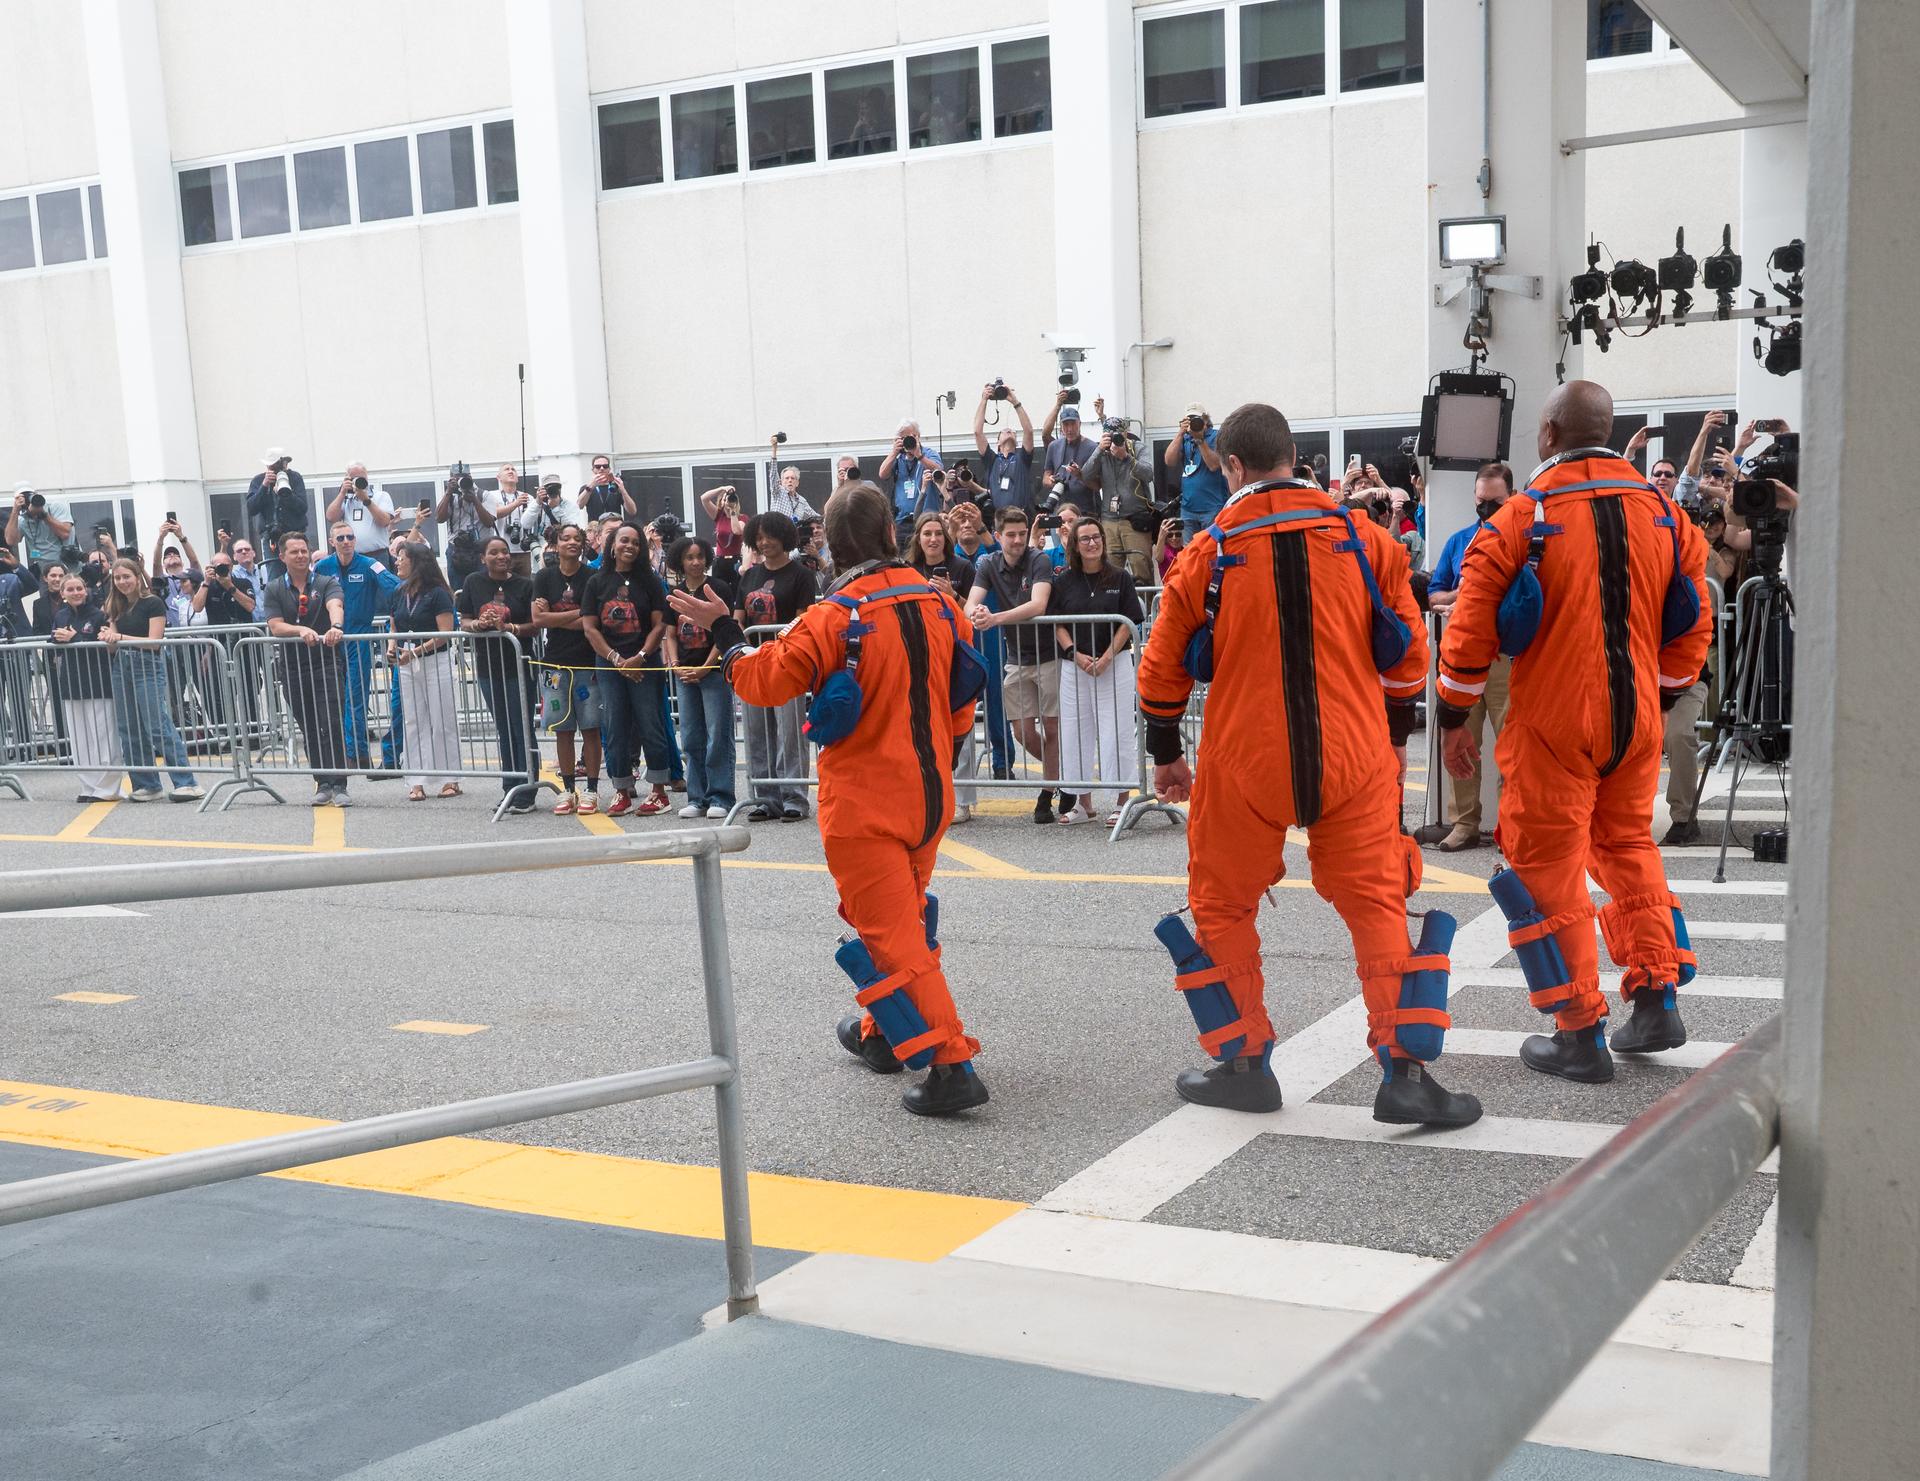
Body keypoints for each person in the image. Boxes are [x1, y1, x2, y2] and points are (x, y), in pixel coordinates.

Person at [1137, 401, 1480, 1128]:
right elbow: (1406, 655)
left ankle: (1245, 1064)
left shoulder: (1207, 550)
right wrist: (1392, 739)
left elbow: (1162, 664)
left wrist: (1166, 753)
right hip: (1352, 753)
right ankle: (1405, 1072)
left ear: (1231, 466)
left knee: (1223, 903)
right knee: (1377, 903)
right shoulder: (1364, 539)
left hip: (1243, 757)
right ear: (1293, 456)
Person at [668, 482, 988, 1117]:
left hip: (866, 805)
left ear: (829, 547)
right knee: (904, 917)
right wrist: (945, 756)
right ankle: (883, 1034)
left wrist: (726, 630)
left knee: (892, 931)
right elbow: (962, 693)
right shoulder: (940, 603)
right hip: (929, 795)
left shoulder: (834, 616)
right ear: (892, 535)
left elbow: (760, 680)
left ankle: (952, 1064)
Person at [1438, 379, 1713, 1083]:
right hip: (1637, 718)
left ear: (1551, 433)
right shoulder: (1665, 514)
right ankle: (1656, 996)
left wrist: (1451, 713)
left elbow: (1468, 629)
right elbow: (1694, 614)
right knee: (1626, 845)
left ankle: (1578, 1029)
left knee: (1547, 865)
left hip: (1554, 721)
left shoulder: (1521, 518)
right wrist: (1665, 689)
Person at [1420, 461, 1515, 853]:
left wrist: (1473, 595)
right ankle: (1464, 822)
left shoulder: (1523, 540)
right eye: (1481, 501)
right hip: (1460, 655)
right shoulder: (1459, 541)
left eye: (1495, 501)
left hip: (1506, 657)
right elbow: (1433, 593)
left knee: (1514, 747)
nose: (1487, 508)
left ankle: (1511, 827)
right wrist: (1465, 596)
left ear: (1510, 498)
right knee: (1460, 741)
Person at [966, 506, 1060, 822]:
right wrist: (977, 615)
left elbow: (1038, 604)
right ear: (997, 536)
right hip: (1017, 658)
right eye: (1011, 535)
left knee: (1051, 728)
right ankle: (1062, 775)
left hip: (1049, 655)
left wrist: (995, 619)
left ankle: (1048, 792)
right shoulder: (988, 563)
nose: (1018, 540)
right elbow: (969, 604)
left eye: (1022, 533)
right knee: (1022, 731)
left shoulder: (1039, 559)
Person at [1050, 518, 1143, 826]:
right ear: (1075, 546)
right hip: (1074, 666)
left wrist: (1105, 657)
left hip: (1113, 664)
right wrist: (1075, 655)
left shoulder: (1120, 577)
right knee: (1076, 730)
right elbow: (1057, 624)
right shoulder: (1063, 580)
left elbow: (1128, 622)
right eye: (1085, 539)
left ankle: (1121, 800)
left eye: (1096, 537)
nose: (1092, 543)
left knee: (1116, 729)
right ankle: (1082, 803)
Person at [582, 523, 674, 817]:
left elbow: (660, 624)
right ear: (612, 545)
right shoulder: (597, 582)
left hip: (645, 664)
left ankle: (659, 792)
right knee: (615, 726)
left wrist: (640, 656)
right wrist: (617, 660)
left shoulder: (650, 581)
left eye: (635, 542)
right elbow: (589, 627)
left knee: (651, 723)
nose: (629, 546)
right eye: (624, 541)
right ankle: (621, 790)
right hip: (610, 665)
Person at [734, 510, 815, 821]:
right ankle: (765, 797)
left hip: (786, 662)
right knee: (757, 732)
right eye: (759, 537)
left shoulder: (801, 574)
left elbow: (801, 618)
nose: (764, 542)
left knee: (790, 731)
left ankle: (794, 796)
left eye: (770, 536)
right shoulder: (749, 576)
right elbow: (739, 617)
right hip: (753, 662)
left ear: (785, 537)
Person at [101, 556, 202, 803]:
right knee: (129, 728)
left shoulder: (153, 603)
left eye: (127, 577)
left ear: (137, 578)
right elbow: (112, 646)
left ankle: (186, 782)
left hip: (146, 665)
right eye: (118, 578)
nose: (122, 582)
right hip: (121, 665)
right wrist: (108, 637)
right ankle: (146, 783)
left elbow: (154, 642)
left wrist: (119, 637)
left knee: (158, 725)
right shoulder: (115, 606)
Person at [262, 530, 351, 807]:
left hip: (326, 662)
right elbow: (275, 625)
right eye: (294, 552)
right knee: (310, 726)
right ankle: (322, 782)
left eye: (304, 550)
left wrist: (335, 627)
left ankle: (340, 783)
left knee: (332, 722)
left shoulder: (326, 581)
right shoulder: (275, 587)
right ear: (282, 556)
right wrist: (301, 630)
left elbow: (335, 604)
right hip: (293, 668)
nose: (300, 555)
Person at [456, 536, 541, 815]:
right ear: (483, 558)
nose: (501, 556)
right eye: (494, 553)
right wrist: (478, 625)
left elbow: (534, 625)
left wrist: (510, 627)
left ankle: (527, 792)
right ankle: (510, 788)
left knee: (522, 728)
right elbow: (464, 619)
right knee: (504, 729)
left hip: (519, 664)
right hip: (488, 667)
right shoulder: (473, 582)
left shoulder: (525, 584)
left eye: (505, 552)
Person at [908, 512, 980, 823]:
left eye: (938, 533)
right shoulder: (906, 570)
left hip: (954, 654)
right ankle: (922, 796)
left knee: (960, 723)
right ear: (918, 539)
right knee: (919, 728)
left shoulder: (962, 567)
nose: (934, 539)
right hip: (917, 655)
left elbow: (973, 611)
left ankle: (962, 799)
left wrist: (953, 595)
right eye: (927, 534)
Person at [315, 521, 401, 772]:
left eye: (350, 537)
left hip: (359, 638)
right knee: (333, 698)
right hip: (330, 639)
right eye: (340, 538)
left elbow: (395, 587)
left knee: (356, 697)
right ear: (332, 542)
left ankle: (357, 753)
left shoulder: (368, 564)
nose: (345, 541)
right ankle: (343, 752)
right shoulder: (322, 566)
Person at [531, 522, 603, 814]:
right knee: (562, 729)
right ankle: (568, 790)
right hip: (555, 664)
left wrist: (555, 615)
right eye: (566, 538)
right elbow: (538, 620)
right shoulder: (544, 577)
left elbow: (592, 621)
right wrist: (580, 613)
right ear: (556, 544)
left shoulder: (593, 577)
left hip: (588, 661)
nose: (572, 543)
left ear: (584, 544)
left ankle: (592, 791)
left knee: (591, 728)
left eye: (577, 538)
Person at [663, 534, 736, 821]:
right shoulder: (676, 592)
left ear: (707, 558)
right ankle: (697, 796)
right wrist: (676, 664)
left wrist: (707, 666)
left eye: (699, 556)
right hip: (685, 674)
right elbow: (669, 633)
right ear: (680, 561)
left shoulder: (717, 588)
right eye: (689, 557)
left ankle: (721, 796)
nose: (695, 562)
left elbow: (725, 630)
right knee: (692, 736)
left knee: (718, 735)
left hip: (714, 672)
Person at [386, 542, 462, 802]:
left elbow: (444, 634)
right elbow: (394, 624)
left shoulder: (438, 593)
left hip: (434, 661)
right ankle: (416, 780)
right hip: (407, 663)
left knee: (441, 721)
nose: (397, 562)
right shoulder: (399, 591)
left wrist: (415, 652)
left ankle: (450, 778)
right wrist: (392, 647)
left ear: (416, 562)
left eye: (401, 558)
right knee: (413, 721)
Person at [47, 571, 121, 801]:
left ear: (86, 590)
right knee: (80, 739)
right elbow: (55, 641)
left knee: (104, 737)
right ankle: (88, 787)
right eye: (70, 589)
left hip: (98, 682)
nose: (76, 593)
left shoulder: (99, 615)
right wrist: (59, 639)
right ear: (63, 593)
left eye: (79, 588)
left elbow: (104, 644)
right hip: (71, 683)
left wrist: (75, 638)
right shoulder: (60, 615)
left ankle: (107, 788)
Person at [1078, 417, 1158, 582]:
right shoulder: (1102, 452)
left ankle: (1147, 605)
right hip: (1109, 520)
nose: (1114, 438)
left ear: (1125, 433)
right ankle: (1114, 606)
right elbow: (1085, 475)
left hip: (1135, 519)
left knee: (1141, 569)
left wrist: (1126, 457)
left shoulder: (1137, 448)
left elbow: (1148, 474)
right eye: (1110, 434)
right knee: (1109, 571)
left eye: (1118, 434)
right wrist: (1099, 449)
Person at [972, 382, 1036, 514]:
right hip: (999, 517)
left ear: (1017, 443)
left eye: (1012, 431)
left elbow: (1028, 431)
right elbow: (978, 432)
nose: (1008, 431)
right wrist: (984, 400)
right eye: (1003, 431)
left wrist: (1015, 402)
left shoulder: (1023, 458)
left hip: (1020, 515)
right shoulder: (992, 460)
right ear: (998, 444)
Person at [1165, 404, 1228, 539]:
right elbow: (1169, 461)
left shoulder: (1217, 436)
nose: (1193, 423)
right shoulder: (1185, 438)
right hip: (1188, 508)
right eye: (1189, 419)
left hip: (1212, 507)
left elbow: (1214, 465)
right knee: (1190, 552)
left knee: (1211, 550)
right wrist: (1180, 433)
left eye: (1196, 419)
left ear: (1206, 420)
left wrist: (1199, 439)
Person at [436, 465, 501, 588]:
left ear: (471, 477)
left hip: (480, 549)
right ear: (451, 479)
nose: (461, 481)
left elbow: (489, 522)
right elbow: (439, 518)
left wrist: (475, 500)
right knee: (459, 590)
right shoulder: (450, 497)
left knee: (484, 588)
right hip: (457, 550)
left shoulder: (484, 495)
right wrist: (448, 493)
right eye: (457, 478)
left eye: (464, 477)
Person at [877, 418, 945, 535]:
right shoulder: (898, 458)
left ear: (918, 436)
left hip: (927, 519)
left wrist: (919, 456)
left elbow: (939, 471)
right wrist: (894, 452)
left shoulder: (928, 453)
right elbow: (882, 474)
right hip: (902, 520)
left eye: (911, 436)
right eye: (903, 438)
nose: (908, 440)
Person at [247, 449, 311, 558]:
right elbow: (251, 508)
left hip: (295, 535)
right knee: (274, 573)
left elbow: (302, 508)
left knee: (299, 568)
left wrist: (285, 494)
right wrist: (264, 486)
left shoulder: (295, 478)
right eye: (273, 466)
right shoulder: (258, 480)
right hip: (272, 539)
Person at [1038, 397, 1098, 512]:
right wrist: (1051, 481)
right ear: (1061, 426)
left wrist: (1080, 475)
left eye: (1073, 424)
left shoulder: (1092, 448)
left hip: (1083, 510)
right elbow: (1045, 478)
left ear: (1079, 424)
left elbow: (1097, 485)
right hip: (1059, 508)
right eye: (1066, 425)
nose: (1069, 429)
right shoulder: (1054, 446)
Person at [325, 463, 397, 552]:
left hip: (377, 554)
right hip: (351, 556)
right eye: (353, 479)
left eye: (360, 478)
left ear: (366, 478)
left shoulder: (380, 496)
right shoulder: (345, 499)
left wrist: (366, 500)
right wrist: (342, 492)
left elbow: (384, 522)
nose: (357, 481)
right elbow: (331, 517)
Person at [7, 485, 73, 573]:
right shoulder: (22, 520)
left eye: (29, 496)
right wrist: (15, 510)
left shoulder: (55, 507)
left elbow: (65, 534)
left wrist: (43, 515)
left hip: (68, 565)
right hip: (44, 570)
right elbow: (11, 541)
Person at [763, 438, 822, 524]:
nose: (790, 480)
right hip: (776, 532)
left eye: (792, 478)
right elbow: (773, 475)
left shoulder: (802, 501)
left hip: (792, 534)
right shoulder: (778, 492)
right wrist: (774, 449)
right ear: (781, 482)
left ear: (797, 483)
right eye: (787, 478)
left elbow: (815, 517)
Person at [699, 484, 747, 585]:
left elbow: (737, 531)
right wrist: (722, 489)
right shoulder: (718, 516)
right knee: (719, 590)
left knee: (736, 590)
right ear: (721, 502)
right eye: (725, 500)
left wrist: (732, 512)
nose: (727, 502)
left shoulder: (742, 518)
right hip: (720, 561)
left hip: (736, 560)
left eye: (730, 500)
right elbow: (704, 498)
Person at [578, 456, 636, 523]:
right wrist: (590, 486)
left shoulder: (616, 486)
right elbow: (580, 505)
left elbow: (632, 511)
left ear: (609, 469)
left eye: (605, 466)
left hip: (615, 527)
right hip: (596, 528)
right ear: (593, 470)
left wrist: (623, 490)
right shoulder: (586, 488)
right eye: (598, 466)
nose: (602, 469)